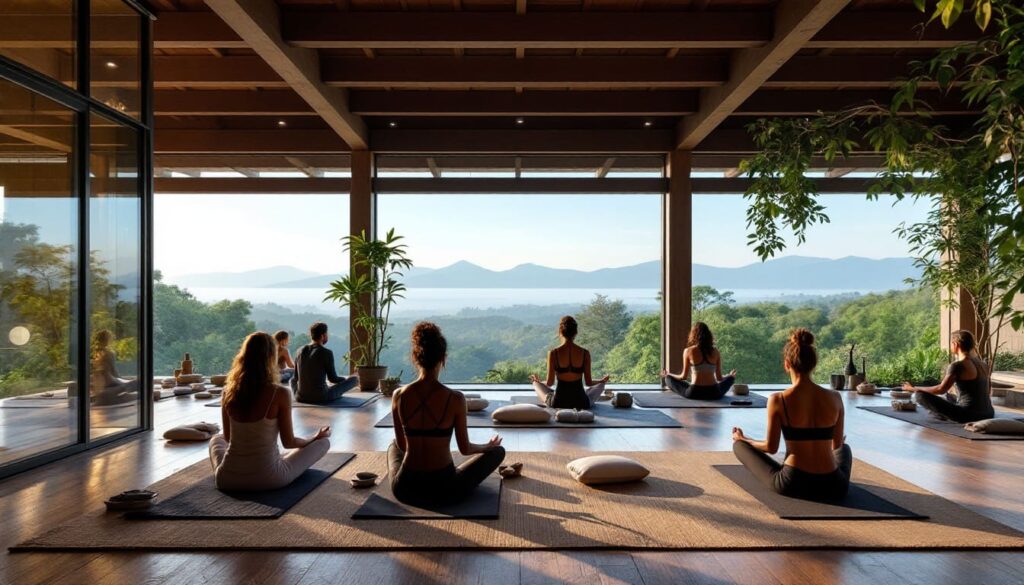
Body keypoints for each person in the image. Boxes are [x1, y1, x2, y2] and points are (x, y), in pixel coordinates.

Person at [389, 322, 505, 506]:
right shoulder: (456, 399)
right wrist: (485, 447)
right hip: (447, 490)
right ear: (443, 358)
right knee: (498, 451)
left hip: (405, 489)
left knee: (393, 446)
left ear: (415, 357)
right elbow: (465, 449)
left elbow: (402, 446)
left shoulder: (399, 396)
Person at [731, 329, 852, 502]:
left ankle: (741, 442)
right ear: (814, 364)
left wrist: (744, 439)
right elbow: (837, 445)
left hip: (794, 482)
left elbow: (771, 447)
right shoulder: (835, 397)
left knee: (739, 446)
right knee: (845, 449)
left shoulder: (778, 399)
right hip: (834, 486)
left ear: (787, 364)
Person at [209, 332, 331, 491]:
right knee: (323, 443)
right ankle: (277, 459)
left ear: (243, 356)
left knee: (216, 439)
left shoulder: (228, 392)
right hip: (270, 478)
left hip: (227, 479)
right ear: (271, 358)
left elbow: (228, 437)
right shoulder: (279, 393)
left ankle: (243, 466)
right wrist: (314, 437)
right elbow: (289, 442)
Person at [904, 329, 994, 423]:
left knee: (920, 395)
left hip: (968, 415)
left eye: (951, 344)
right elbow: (988, 391)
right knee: (949, 397)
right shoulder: (983, 365)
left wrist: (913, 388)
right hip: (988, 413)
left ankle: (940, 415)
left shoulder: (958, 365)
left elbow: (940, 389)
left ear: (955, 344)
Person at [528, 316, 610, 410]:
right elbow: (588, 382)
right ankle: (596, 387)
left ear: (560, 332)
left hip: (559, 402)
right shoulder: (585, 353)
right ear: (576, 332)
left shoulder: (553, 353)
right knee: (600, 386)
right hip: (581, 403)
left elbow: (550, 383)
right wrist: (601, 381)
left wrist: (538, 381)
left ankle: (536, 383)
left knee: (536, 384)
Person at [660, 322, 736, 400]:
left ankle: (668, 377)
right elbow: (719, 378)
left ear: (693, 335)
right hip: (714, 393)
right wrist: (729, 376)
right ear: (709, 335)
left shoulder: (688, 351)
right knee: (731, 379)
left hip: (694, 392)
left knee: (668, 379)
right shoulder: (715, 351)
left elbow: (683, 377)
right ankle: (731, 377)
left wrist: (668, 374)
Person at [292, 322, 358, 404]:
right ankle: (355, 378)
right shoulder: (326, 352)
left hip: (300, 397)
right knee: (354, 379)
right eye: (327, 334)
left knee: (292, 381)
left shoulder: (299, 351)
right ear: (323, 335)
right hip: (321, 397)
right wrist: (347, 379)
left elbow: (295, 378)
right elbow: (333, 379)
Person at [90, 329, 137, 406]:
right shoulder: (108, 354)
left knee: (131, 383)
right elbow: (114, 373)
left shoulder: (95, 354)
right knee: (137, 383)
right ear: (107, 340)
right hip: (110, 382)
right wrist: (123, 381)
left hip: (103, 383)